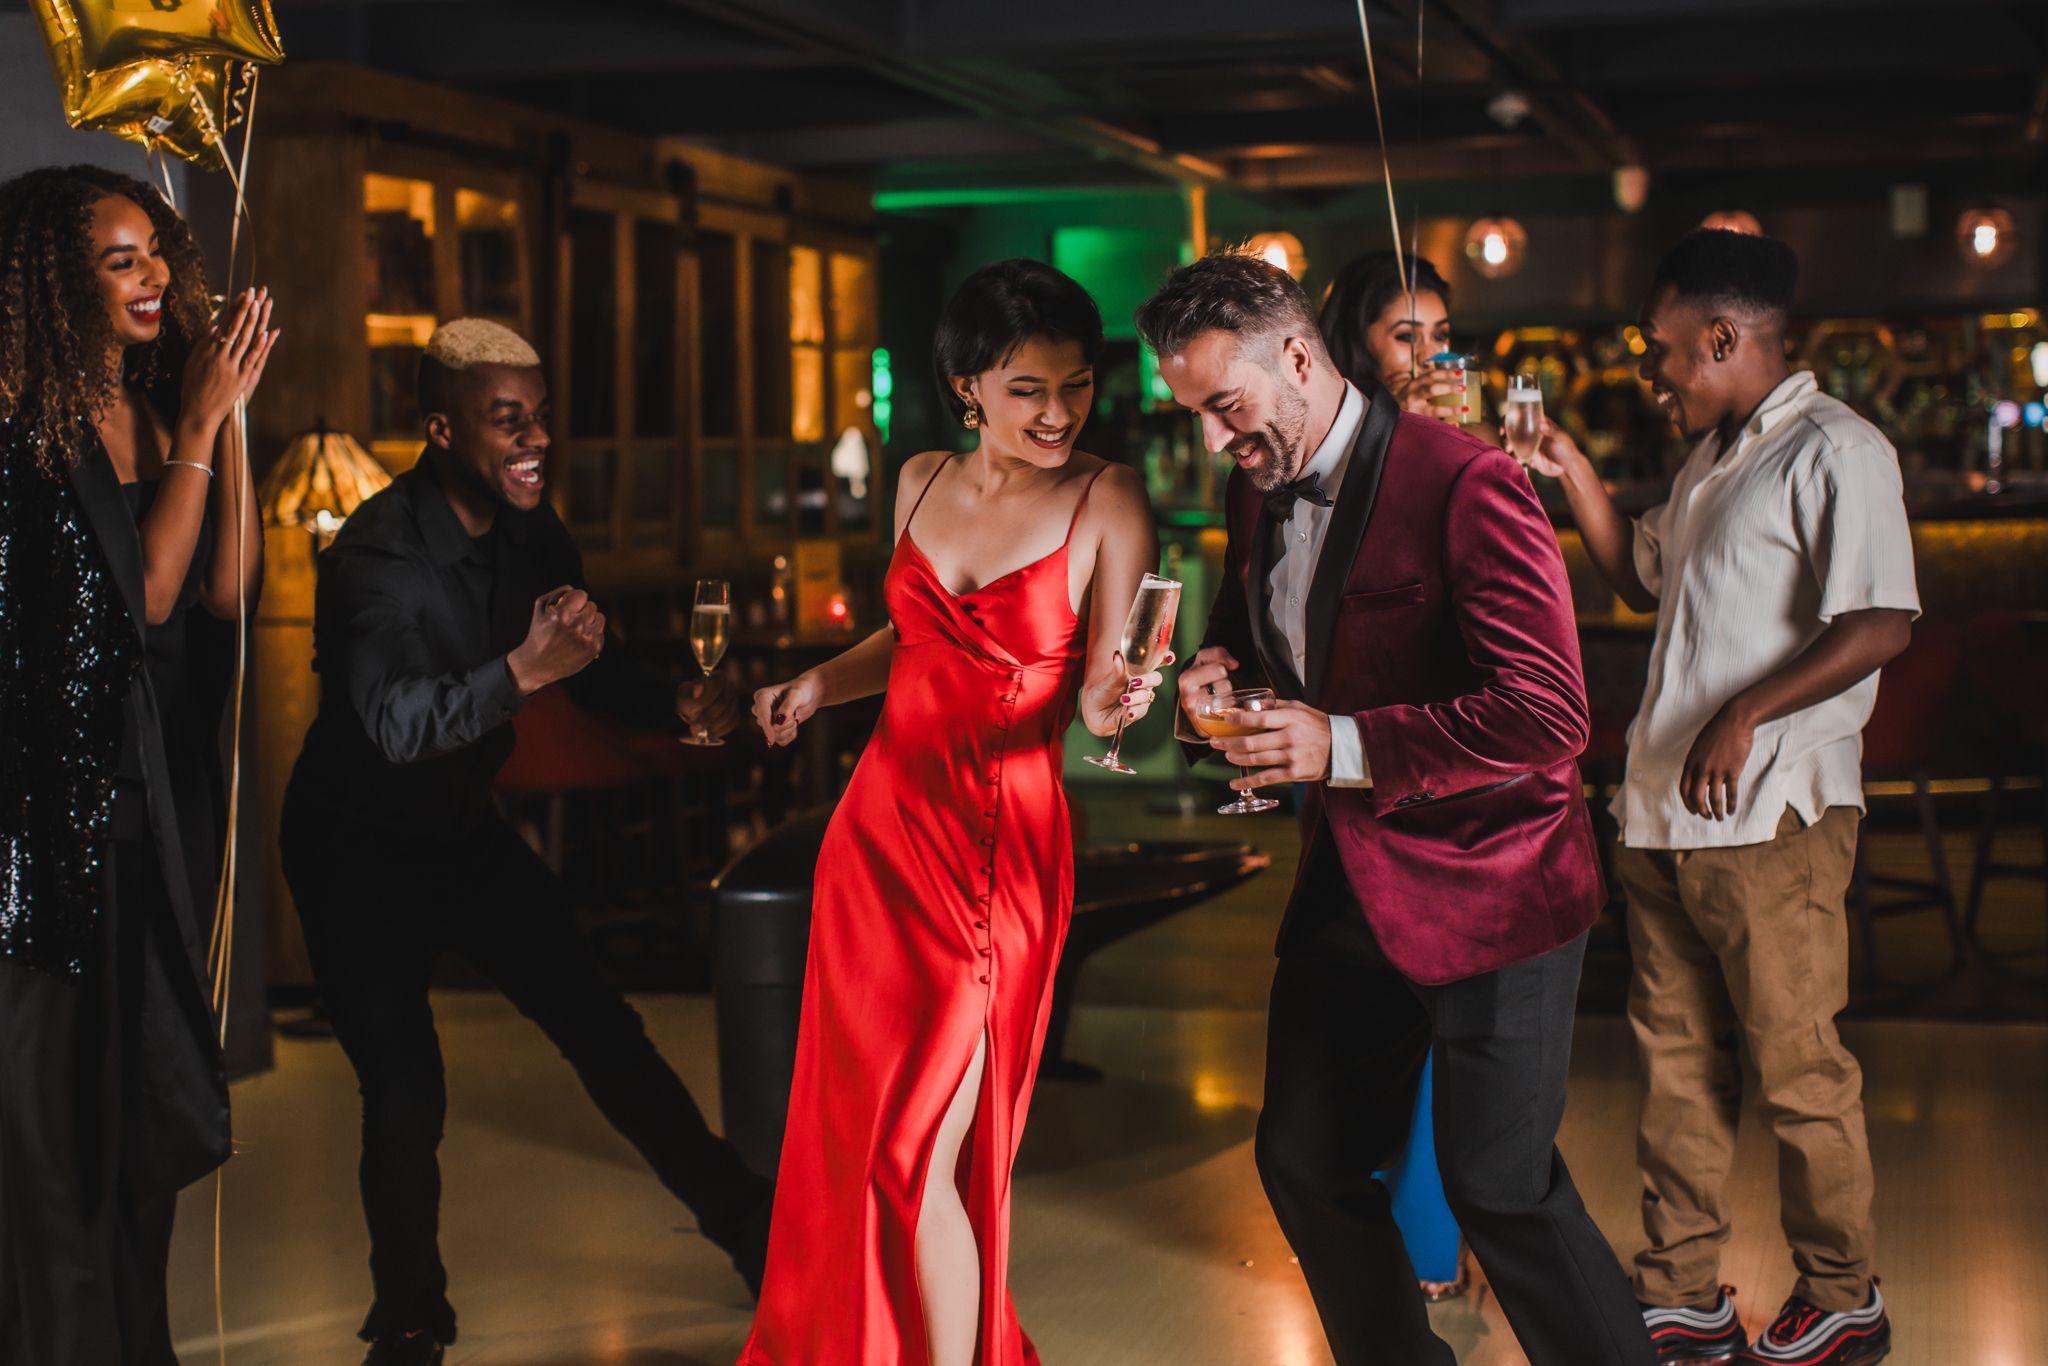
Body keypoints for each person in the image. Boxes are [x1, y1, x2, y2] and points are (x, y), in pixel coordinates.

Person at [1142, 250, 1654, 1366]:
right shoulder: (1253, 478)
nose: (1217, 440)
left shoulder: (1468, 479)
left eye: (1223, 406)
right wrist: (1217, 666)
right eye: (1194, 414)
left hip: (1497, 885)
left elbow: (1548, 715)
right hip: (1352, 875)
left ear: (1294, 353)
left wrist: (1340, 742)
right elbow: (1257, 608)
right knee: (1303, 1152)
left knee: (1497, 1185)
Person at [278, 318, 769, 1366]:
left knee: (606, 1034)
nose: (534, 439)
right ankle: (410, 1318)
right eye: (509, 421)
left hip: (461, 832)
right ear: (440, 425)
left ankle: (758, 1239)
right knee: (406, 1090)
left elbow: (592, 663)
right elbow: (401, 725)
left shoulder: (534, 533)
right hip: (352, 848)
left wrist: (676, 701)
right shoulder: (373, 557)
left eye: (540, 416)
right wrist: (522, 674)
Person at [740, 259, 1162, 1366]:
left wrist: (1127, 696)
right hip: (874, 837)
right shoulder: (917, 479)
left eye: (1074, 386)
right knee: (860, 1133)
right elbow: (912, 642)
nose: (1058, 413)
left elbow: (1102, 694)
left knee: (920, 1146)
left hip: (994, 852)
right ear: (967, 382)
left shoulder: (1106, 496)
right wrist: (815, 684)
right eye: (1028, 388)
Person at [1530, 228, 1912, 1366]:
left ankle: (1843, 1296)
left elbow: (1879, 622)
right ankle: (1681, 1291)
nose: (1651, 369)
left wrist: (1746, 712)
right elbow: (1636, 573)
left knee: (1795, 1068)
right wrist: (1567, 466)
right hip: (1663, 817)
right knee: (1677, 1066)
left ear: (1721, 336)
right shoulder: (1711, 457)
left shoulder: (1838, 449)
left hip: (1772, 819)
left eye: (1659, 350)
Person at [1, 164, 274, 1365]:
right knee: (52, 1142)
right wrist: (205, 424)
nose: (155, 271)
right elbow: (141, 591)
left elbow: (221, 589)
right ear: (60, 281)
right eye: (121, 258)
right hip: (39, 832)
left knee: (136, 1123)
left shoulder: (151, 408)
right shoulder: (25, 425)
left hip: (136, 807)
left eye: (155, 249)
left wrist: (231, 415)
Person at [1316, 247, 1469, 1300]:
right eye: (1398, 333)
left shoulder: (1462, 455)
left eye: (1434, 333)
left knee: (1449, 1012)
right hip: (1344, 765)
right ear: (1350, 345)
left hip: (1450, 766)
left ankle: (1435, 1237)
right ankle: (1378, 1235)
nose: (1422, 354)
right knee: (1356, 1013)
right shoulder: (1321, 462)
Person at [1319, 250, 1461, 417]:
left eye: (1440, 336)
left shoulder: (1473, 431)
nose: (1429, 359)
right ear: (1357, 340)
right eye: (1407, 337)